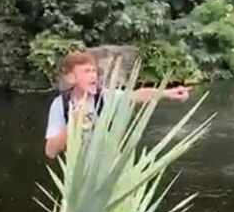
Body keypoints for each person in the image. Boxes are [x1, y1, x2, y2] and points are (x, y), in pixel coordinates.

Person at [44, 50, 191, 159]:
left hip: (108, 171)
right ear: (70, 77)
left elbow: (137, 95)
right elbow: (50, 151)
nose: (93, 75)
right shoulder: (60, 105)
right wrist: (73, 125)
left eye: (94, 71)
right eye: (87, 71)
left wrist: (168, 93)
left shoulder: (104, 97)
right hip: (79, 181)